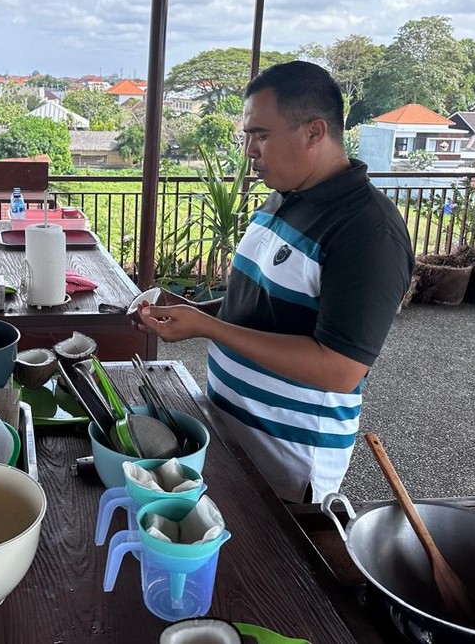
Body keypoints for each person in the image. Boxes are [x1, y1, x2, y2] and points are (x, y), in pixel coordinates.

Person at [138, 60, 413, 503]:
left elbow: (340, 369)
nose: (250, 150)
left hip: (288, 463)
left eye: (261, 135)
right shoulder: (283, 196)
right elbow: (263, 304)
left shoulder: (367, 229)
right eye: (247, 136)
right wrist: (195, 312)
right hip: (232, 431)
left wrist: (209, 328)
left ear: (314, 132)